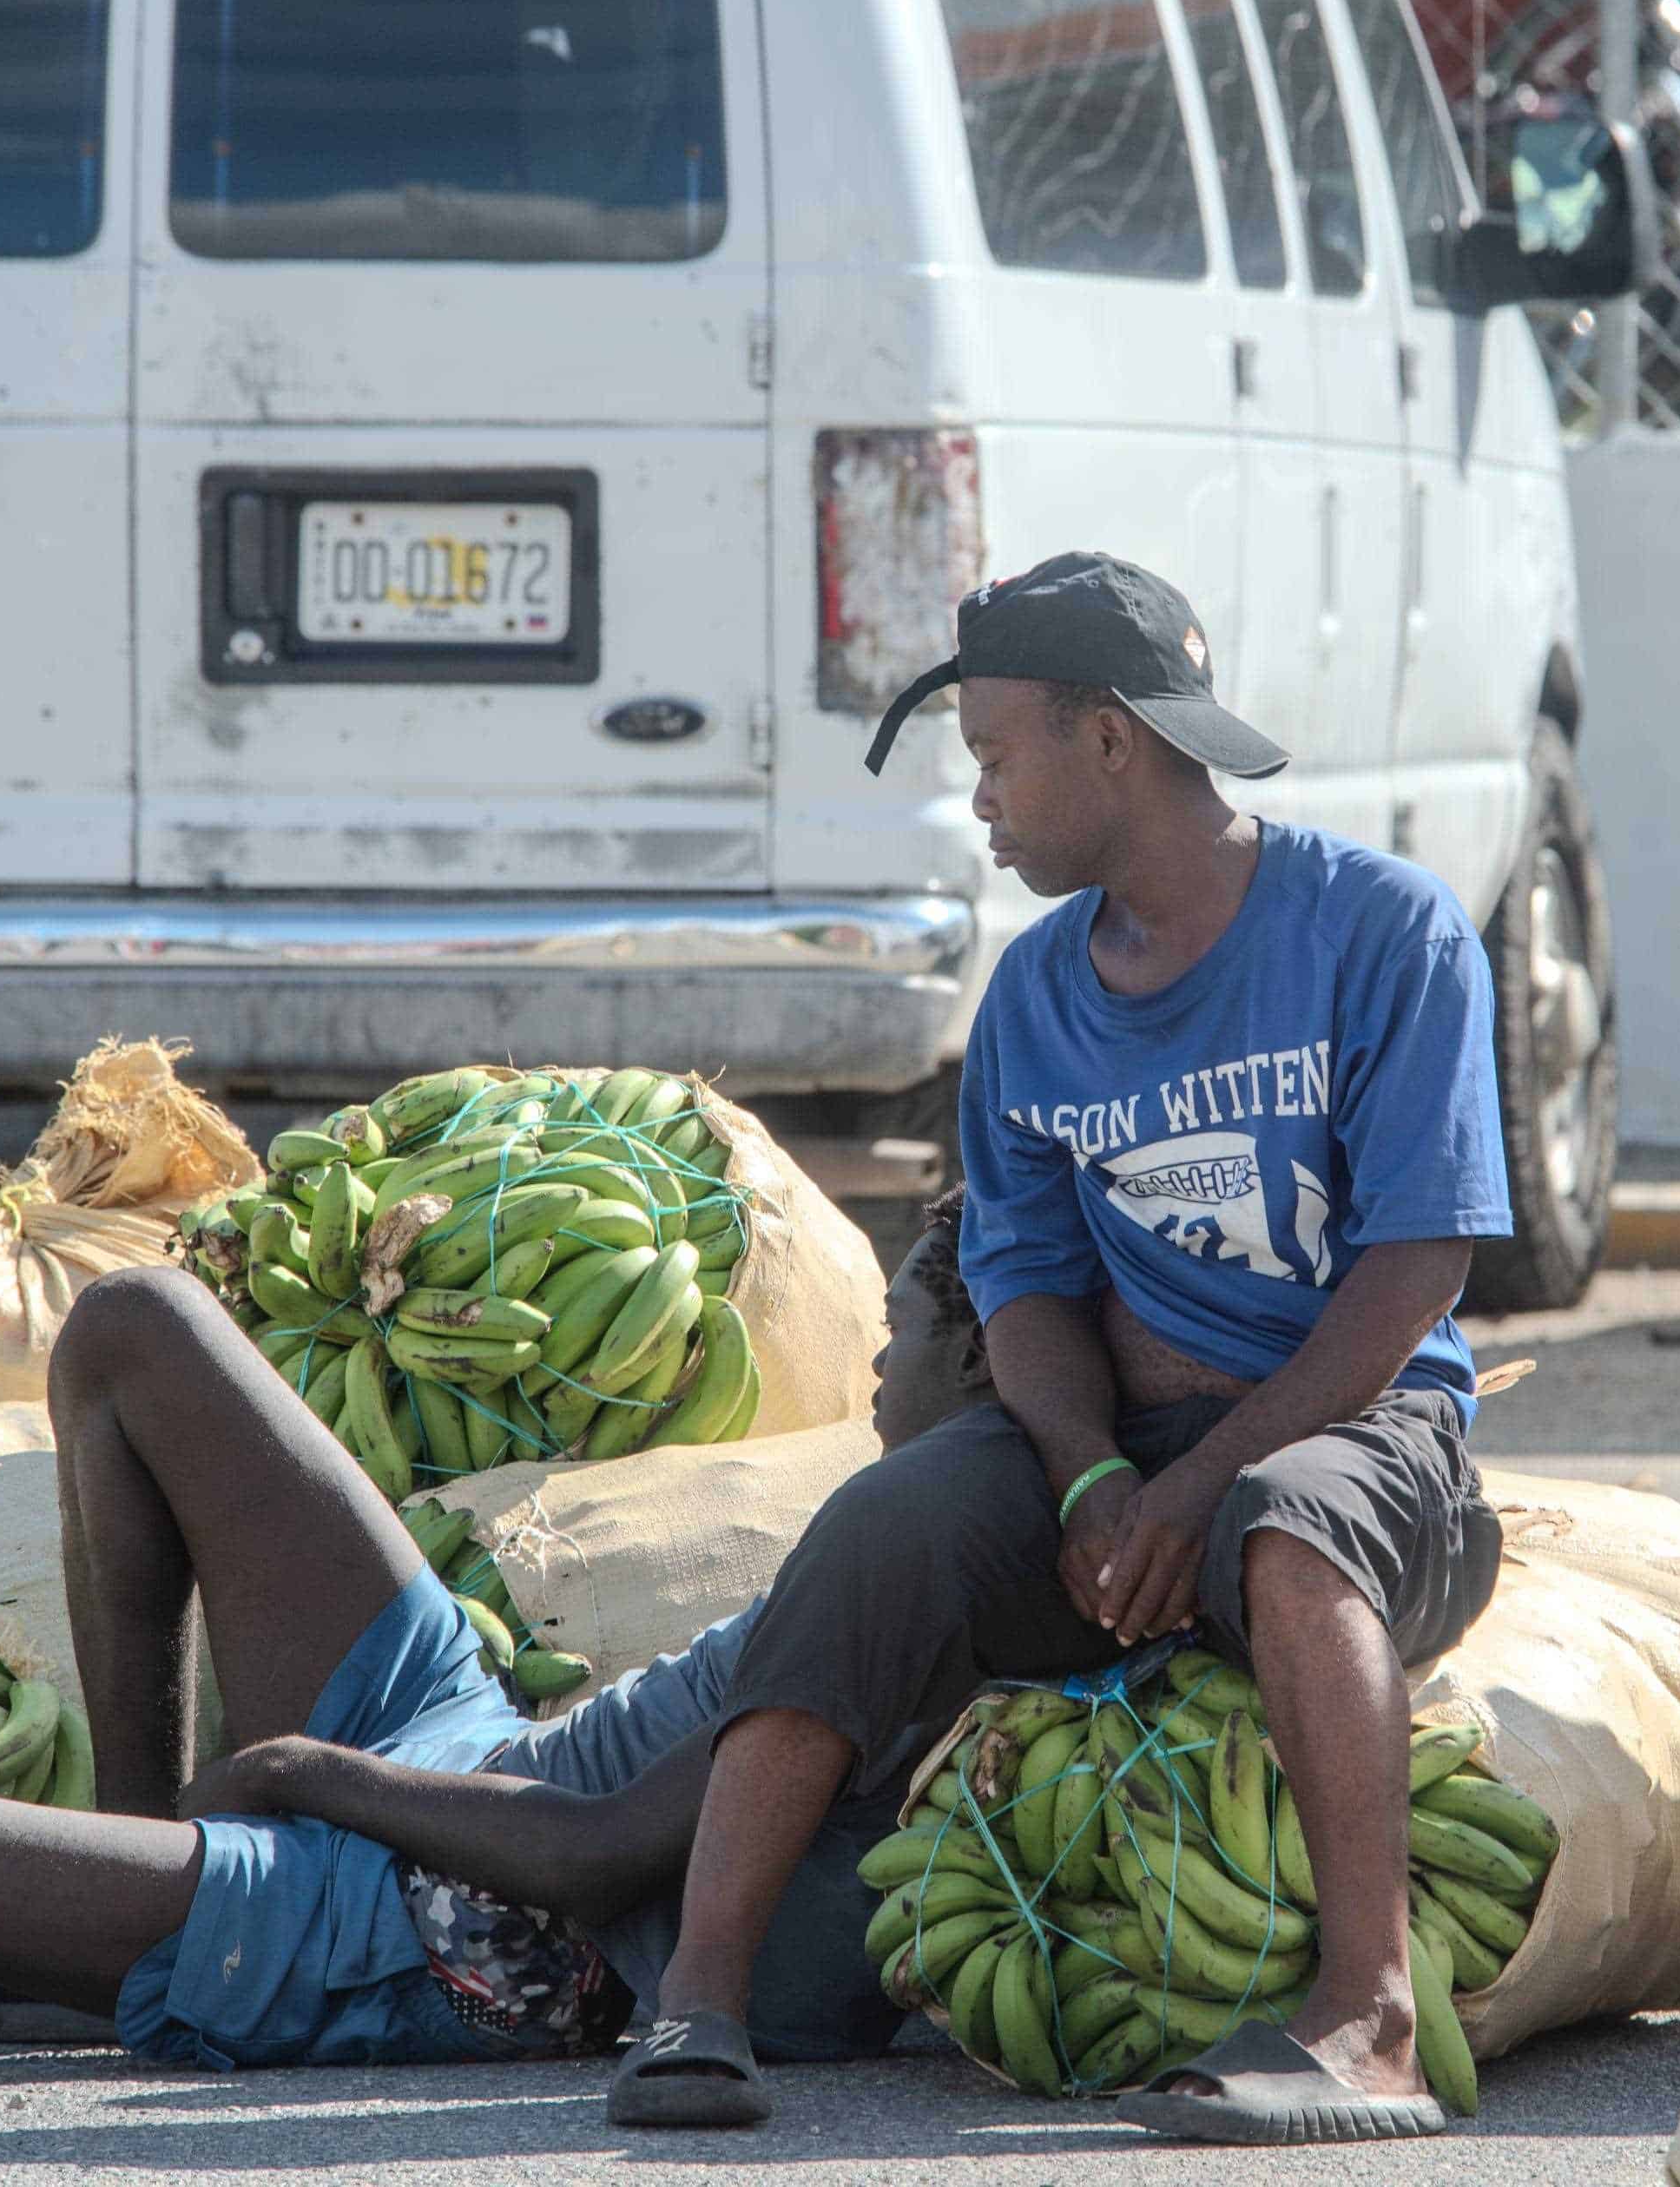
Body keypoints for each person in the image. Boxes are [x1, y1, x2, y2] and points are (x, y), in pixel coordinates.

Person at [610, 550, 1512, 2144]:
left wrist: (1208, 1480)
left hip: (1366, 1446)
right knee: (880, 1528)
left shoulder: (1385, 932)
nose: (982, 803)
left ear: (1111, 739)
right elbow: (1021, 1286)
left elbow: (1415, 1267)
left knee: (1290, 1530)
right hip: (1123, 1462)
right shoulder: (1033, 994)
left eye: (995, 757)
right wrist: (1092, 1475)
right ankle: (700, 1996)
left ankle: (1371, 2021)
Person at [0, 1265, 924, 2069]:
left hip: (449, 1933)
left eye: (916, 1307)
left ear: (980, 1347)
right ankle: (126, 1870)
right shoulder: (922, 1516)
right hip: (463, 1747)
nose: (879, 1349)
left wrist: (303, 1772)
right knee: (131, 1328)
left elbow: (592, 1856)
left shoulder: (912, 1566)